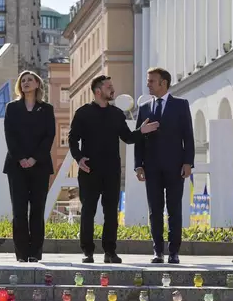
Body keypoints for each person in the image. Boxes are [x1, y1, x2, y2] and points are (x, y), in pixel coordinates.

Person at [69, 75, 159, 263]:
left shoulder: (117, 114)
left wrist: (141, 132)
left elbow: (127, 137)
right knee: (88, 211)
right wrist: (78, 159)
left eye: (112, 85)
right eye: (109, 87)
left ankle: (110, 251)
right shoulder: (83, 113)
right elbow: (72, 139)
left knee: (111, 212)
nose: (113, 89)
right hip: (89, 170)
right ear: (98, 91)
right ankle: (88, 251)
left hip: (112, 171)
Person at [134, 67, 195, 264]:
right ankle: (158, 251)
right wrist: (138, 165)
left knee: (174, 209)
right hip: (151, 168)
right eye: (148, 80)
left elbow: (188, 136)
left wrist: (188, 162)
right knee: (155, 211)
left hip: (175, 167)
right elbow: (139, 140)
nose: (148, 84)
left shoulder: (180, 105)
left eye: (152, 81)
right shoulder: (144, 108)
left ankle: (174, 251)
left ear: (163, 83)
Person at [3, 70, 56, 263]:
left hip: (40, 165)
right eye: (22, 80)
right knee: (19, 211)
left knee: (37, 210)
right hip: (16, 166)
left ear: (37, 84)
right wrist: (21, 158)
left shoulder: (47, 109)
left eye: (29, 80)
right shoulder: (11, 108)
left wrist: (34, 158)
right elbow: (10, 135)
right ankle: (21, 253)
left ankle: (35, 253)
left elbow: (49, 136)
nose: (25, 83)